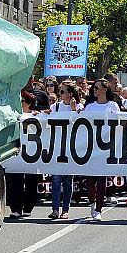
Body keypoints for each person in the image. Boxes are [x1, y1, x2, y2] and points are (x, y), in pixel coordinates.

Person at [79, 79, 120, 221]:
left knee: (102, 179)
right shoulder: (90, 106)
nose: (94, 90)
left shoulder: (113, 105)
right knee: (90, 180)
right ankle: (92, 203)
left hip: (105, 147)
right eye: (93, 88)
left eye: (97, 88)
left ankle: (98, 209)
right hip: (91, 146)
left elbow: (118, 122)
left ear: (105, 89)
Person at [47, 83, 79, 220]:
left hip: (70, 148)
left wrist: (73, 110)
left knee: (67, 180)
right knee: (55, 179)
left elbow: (79, 123)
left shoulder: (78, 107)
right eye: (60, 91)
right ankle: (55, 209)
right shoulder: (56, 107)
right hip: (57, 147)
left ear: (70, 94)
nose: (60, 93)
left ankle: (65, 209)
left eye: (63, 91)